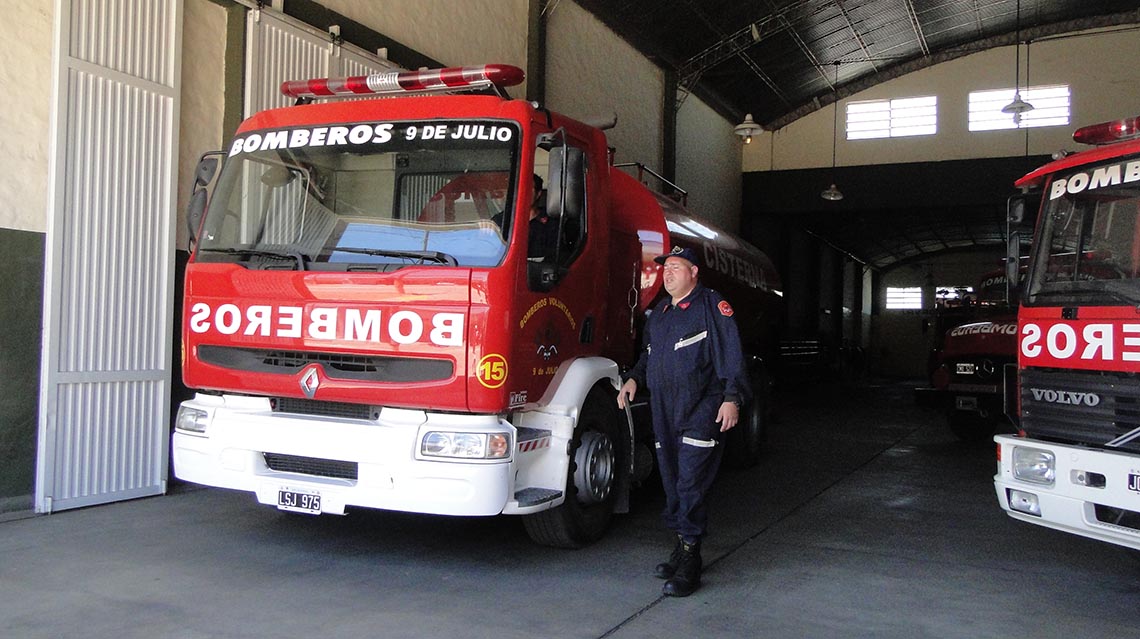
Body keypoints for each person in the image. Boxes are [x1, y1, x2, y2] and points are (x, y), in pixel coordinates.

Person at [617, 245, 750, 598]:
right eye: (665, 268)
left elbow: (731, 353)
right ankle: (680, 546)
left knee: (691, 483)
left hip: (701, 408)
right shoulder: (659, 313)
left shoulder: (711, 306)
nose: (668, 273)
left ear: (693, 272)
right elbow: (648, 358)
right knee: (673, 481)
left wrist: (731, 398)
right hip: (664, 409)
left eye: (676, 267)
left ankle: (691, 558)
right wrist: (633, 378)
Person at [527, 175, 557, 260]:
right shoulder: (501, 221)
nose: (523, 192)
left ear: (538, 193)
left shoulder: (552, 222)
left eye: (528, 188)